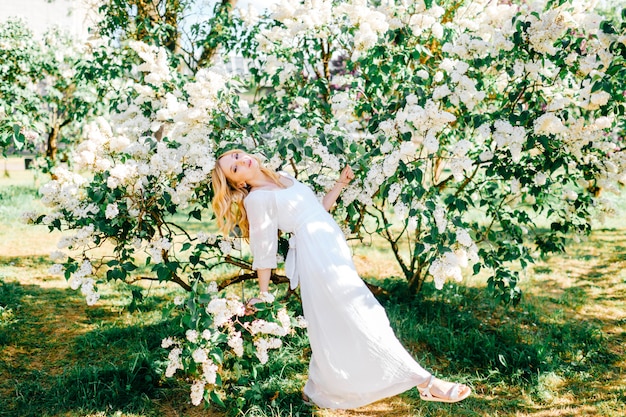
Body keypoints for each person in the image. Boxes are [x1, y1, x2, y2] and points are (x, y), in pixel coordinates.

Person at [211, 149, 471, 409]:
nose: (239, 161)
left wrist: (340, 184)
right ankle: (425, 382)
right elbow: (264, 248)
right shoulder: (257, 199)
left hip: (333, 248)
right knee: (367, 315)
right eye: (234, 168)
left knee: (334, 320)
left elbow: (317, 209)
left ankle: (318, 388)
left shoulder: (282, 176)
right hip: (317, 257)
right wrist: (264, 293)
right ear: (239, 183)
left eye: (236, 155)